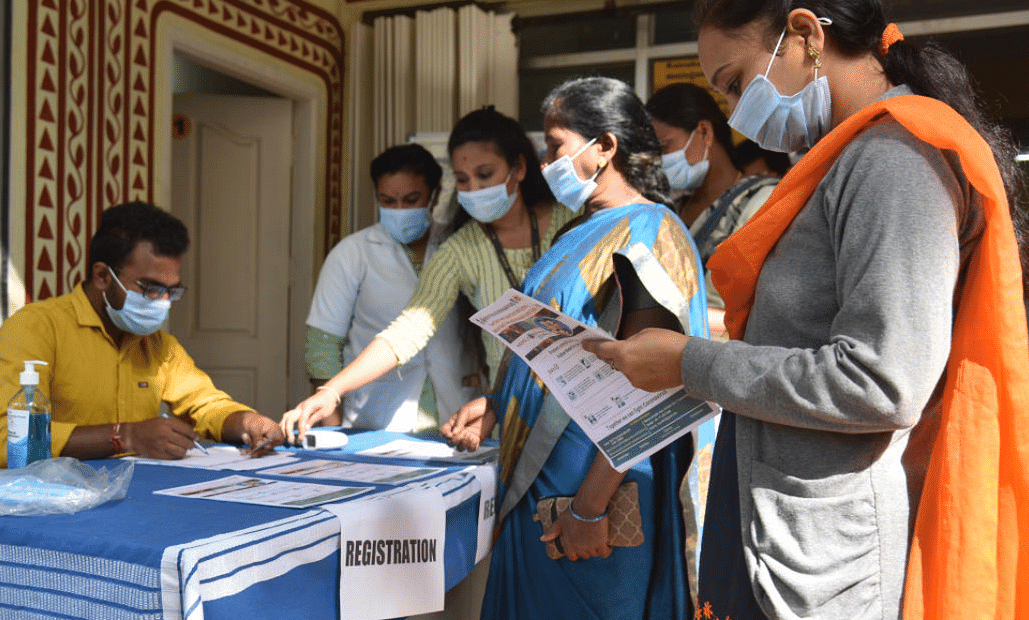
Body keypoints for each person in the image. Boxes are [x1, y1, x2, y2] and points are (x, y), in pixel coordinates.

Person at [582, 0, 1029, 619]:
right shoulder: (846, 158)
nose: (737, 115)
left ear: (805, 35)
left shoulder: (893, 161)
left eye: (736, 83)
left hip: (828, 564)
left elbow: (882, 381)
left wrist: (690, 362)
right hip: (790, 537)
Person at [442, 76, 710, 620]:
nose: (545, 163)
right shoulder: (577, 233)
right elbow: (552, 346)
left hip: (597, 493)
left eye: (555, 145)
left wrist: (589, 508)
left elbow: (652, 386)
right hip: (538, 480)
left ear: (604, 147)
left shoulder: (649, 231)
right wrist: (497, 404)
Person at [280, 107, 575, 441]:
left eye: (485, 174)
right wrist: (331, 391)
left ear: (519, 168)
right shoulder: (461, 249)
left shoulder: (573, 221)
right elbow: (409, 329)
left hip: (583, 400)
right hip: (510, 413)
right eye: (463, 180)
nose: (475, 189)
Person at [0, 201, 282, 469]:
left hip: (128, 497)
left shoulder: (158, 345)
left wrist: (246, 422)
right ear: (102, 276)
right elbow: (6, 443)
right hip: (41, 501)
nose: (162, 301)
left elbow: (206, 404)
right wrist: (125, 436)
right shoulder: (35, 329)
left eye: (171, 290)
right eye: (151, 288)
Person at [304, 144, 479, 432]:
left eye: (411, 200)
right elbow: (322, 347)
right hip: (376, 415)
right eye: (388, 201)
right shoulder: (353, 253)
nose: (399, 210)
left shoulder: (458, 245)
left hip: (455, 407)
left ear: (435, 195)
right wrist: (330, 430)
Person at [646, 83, 779, 338]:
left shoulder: (759, 201)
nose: (658, 162)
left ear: (704, 132)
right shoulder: (673, 209)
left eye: (664, 147)